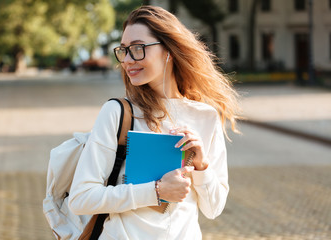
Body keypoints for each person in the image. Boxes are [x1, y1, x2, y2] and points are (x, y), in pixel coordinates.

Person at [69, 5, 240, 239]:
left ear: (168, 50)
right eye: (123, 50)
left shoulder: (206, 117)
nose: (127, 60)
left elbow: (213, 209)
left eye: (138, 49)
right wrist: (155, 191)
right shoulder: (117, 113)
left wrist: (201, 165)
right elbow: (81, 198)